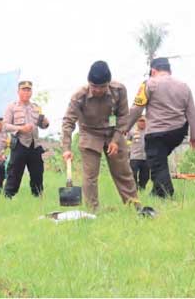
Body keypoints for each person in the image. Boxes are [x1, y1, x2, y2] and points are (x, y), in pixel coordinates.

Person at [61, 61, 141, 211]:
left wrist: (116, 140)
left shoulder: (119, 90)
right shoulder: (79, 96)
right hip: (90, 134)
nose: (98, 90)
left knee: (123, 172)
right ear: (89, 83)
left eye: (102, 87)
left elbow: (123, 116)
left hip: (113, 133)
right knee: (90, 177)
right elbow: (68, 122)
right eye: (94, 86)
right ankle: (93, 211)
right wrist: (66, 148)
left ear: (108, 83)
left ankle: (134, 207)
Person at [127, 57, 195, 198]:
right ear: (169, 70)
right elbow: (192, 113)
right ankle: (155, 193)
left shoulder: (148, 84)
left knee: (157, 163)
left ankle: (166, 193)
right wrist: (193, 137)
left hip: (157, 133)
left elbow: (137, 109)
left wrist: (124, 127)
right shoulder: (184, 86)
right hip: (178, 132)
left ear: (153, 71)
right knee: (160, 159)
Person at [3, 80, 49, 198]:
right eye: (24, 90)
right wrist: (20, 128)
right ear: (18, 91)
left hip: (34, 145)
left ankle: (38, 196)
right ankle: (8, 197)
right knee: (14, 173)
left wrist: (45, 123)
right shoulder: (12, 107)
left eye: (29, 90)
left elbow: (42, 125)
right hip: (19, 144)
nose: (26, 92)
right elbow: (5, 126)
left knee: (37, 173)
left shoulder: (36, 107)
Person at [127, 116, 149, 190]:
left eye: (144, 121)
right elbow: (126, 141)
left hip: (146, 158)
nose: (142, 123)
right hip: (134, 157)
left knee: (145, 176)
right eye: (140, 121)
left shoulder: (149, 131)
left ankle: (142, 189)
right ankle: (134, 189)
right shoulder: (132, 131)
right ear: (137, 122)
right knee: (133, 175)